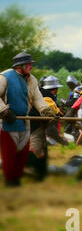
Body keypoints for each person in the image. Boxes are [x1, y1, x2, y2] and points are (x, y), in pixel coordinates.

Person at [0, 53, 55, 187]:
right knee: (9, 154)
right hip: (7, 122)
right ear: (20, 66)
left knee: (22, 153)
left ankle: (16, 179)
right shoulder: (4, 77)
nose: (31, 66)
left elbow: (37, 98)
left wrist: (46, 111)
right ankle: (10, 180)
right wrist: (4, 111)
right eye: (29, 64)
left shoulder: (32, 80)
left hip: (24, 121)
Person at [27, 75, 68, 181]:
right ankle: (30, 170)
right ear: (54, 89)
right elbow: (56, 113)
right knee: (36, 150)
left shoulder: (40, 93)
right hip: (35, 125)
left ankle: (40, 173)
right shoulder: (47, 97)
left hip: (35, 124)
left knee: (41, 150)